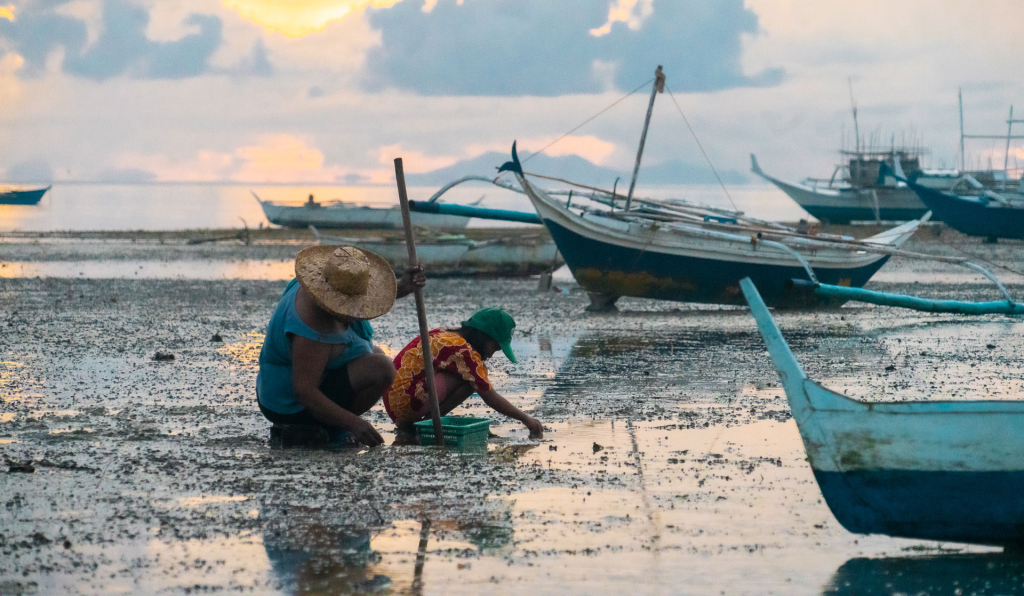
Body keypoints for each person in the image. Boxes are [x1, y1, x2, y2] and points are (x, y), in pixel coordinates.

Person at [256, 245, 424, 447]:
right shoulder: (313, 324)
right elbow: (304, 392)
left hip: (312, 381)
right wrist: (353, 424)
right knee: (381, 368)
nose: (357, 311)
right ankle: (329, 428)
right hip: (287, 402)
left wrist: (403, 287)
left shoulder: (327, 283)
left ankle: (330, 424)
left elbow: (360, 293)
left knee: (375, 354)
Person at [384, 307, 543, 439]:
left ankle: (416, 425)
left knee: (474, 375)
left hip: (394, 402)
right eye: (494, 347)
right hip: (406, 405)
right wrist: (526, 419)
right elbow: (490, 396)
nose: (492, 354)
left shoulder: (446, 333)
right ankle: (429, 423)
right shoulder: (464, 351)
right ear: (483, 337)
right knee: (473, 381)